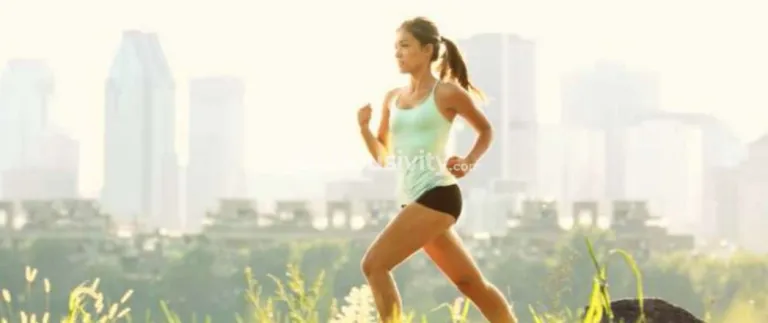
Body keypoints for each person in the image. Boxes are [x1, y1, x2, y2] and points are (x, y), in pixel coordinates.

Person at [356, 16, 519, 323]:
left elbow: (485, 131)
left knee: (374, 265)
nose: (398, 53)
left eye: (405, 46)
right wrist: (364, 128)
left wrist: (468, 162)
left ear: (427, 50)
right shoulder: (392, 98)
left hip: (438, 194)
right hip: (412, 200)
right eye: (395, 47)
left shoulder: (445, 93)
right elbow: (382, 155)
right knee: (469, 283)